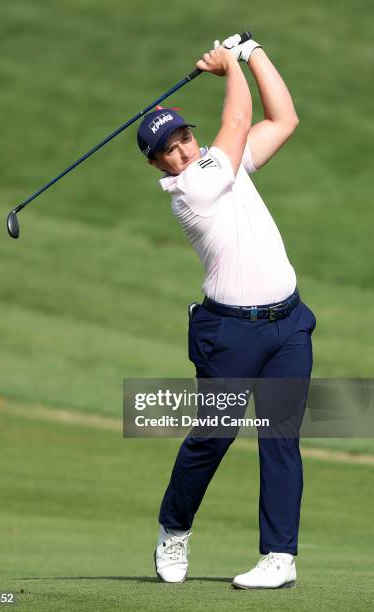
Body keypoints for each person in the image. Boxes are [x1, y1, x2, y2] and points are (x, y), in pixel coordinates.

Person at [136, 34, 316, 589]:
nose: (185, 150)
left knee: (281, 438)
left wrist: (255, 51)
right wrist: (228, 66)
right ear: (158, 164)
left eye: (186, 137)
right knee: (213, 437)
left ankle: (279, 558)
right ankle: (174, 529)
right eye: (171, 148)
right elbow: (238, 122)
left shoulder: (224, 165)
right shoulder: (190, 189)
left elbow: (283, 119)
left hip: (287, 325)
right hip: (229, 334)